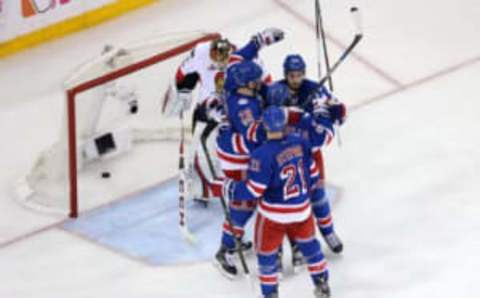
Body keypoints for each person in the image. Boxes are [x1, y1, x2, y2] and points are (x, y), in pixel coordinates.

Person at [216, 106, 332, 298]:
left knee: (266, 256)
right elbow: (312, 172)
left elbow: (253, 190)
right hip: (302, 212)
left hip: (273, 216)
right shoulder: (300, 142)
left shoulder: (262, 154)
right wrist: (300, 197)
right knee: (311, 247)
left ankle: (270, 294)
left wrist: (229, 188)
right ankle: (322, 285)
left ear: (265, 126)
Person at [165, 29, 284, 203]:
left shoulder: (240, 61)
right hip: (209, 109)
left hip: (234, 112)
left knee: (242, 152)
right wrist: (182, 90)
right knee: (200, 152)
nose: (219, 64)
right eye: (215, 59)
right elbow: (183, 74)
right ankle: (203, 190)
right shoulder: (200, 52)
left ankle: (251, 187)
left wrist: (271, 102)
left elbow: (265, 80)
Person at [270, 54, 345, 254]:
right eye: (292, 75)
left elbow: (338, 108)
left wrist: (337, 112)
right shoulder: (276, 91)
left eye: (299, 75)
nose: (296, 79)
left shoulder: (315, 89)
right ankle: (294, 245)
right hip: (285, 154)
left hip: (310, 154)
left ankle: (328, 232)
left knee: (318, 197)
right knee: (291, 201)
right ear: (286, 74)